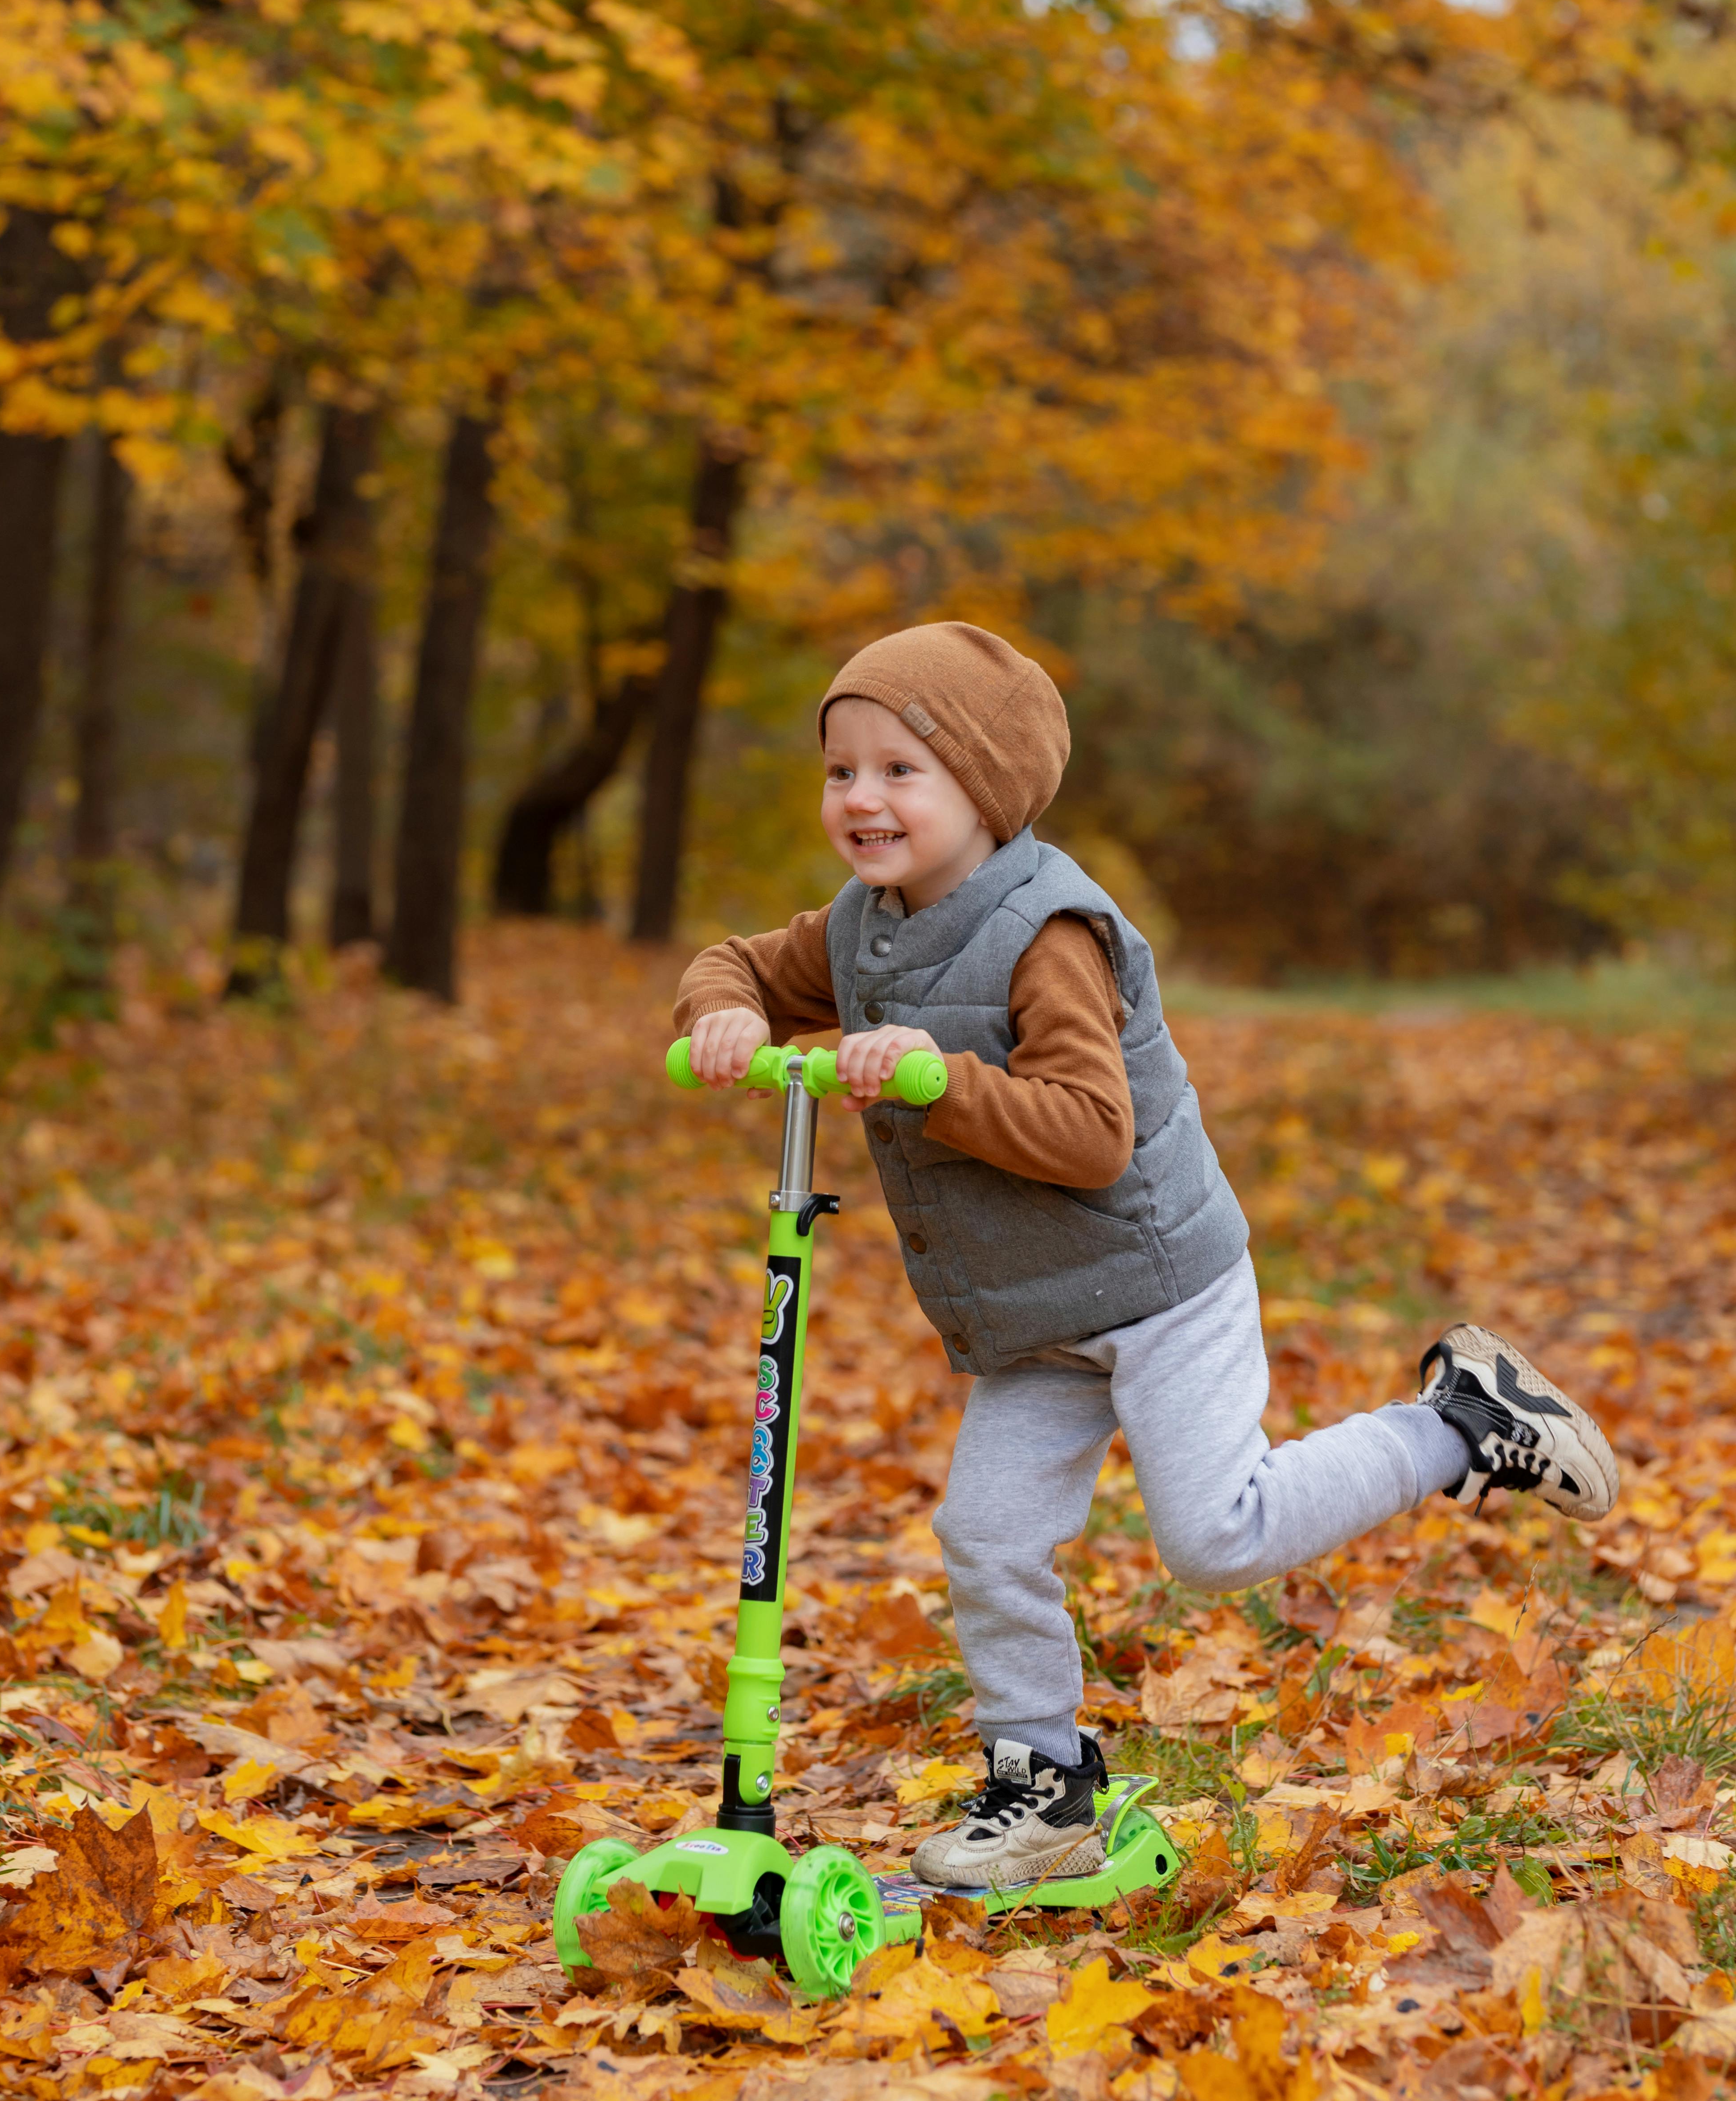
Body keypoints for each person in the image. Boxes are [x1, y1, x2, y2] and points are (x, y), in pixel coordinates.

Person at [672, 623, 1617, 1894]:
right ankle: (1043, 1783)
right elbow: (738, 961)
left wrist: (934, 1079)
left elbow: (1090, 1133)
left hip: (1159, 1279)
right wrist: (721, 1012)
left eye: (902, 769)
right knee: (987, 1532)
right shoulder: (859, 930)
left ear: (986, 791)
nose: (860, 798)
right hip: (1035, 1313)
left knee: (1217, 1536)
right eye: (840, 770)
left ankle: (1458, 1419)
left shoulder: (1048, 930)